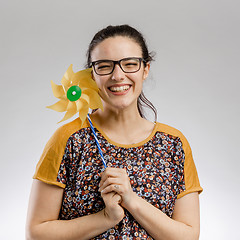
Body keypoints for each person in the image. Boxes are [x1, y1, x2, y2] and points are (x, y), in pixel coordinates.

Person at [26, 24, 203, 240]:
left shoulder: (174, 144)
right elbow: (36, 233)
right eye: (104, 66)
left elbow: (188, 236)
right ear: (92, 75)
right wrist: (105, 217)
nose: (118, 76)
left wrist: (131, 200)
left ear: (145, 69)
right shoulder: (69, 139)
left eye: (130, 64)